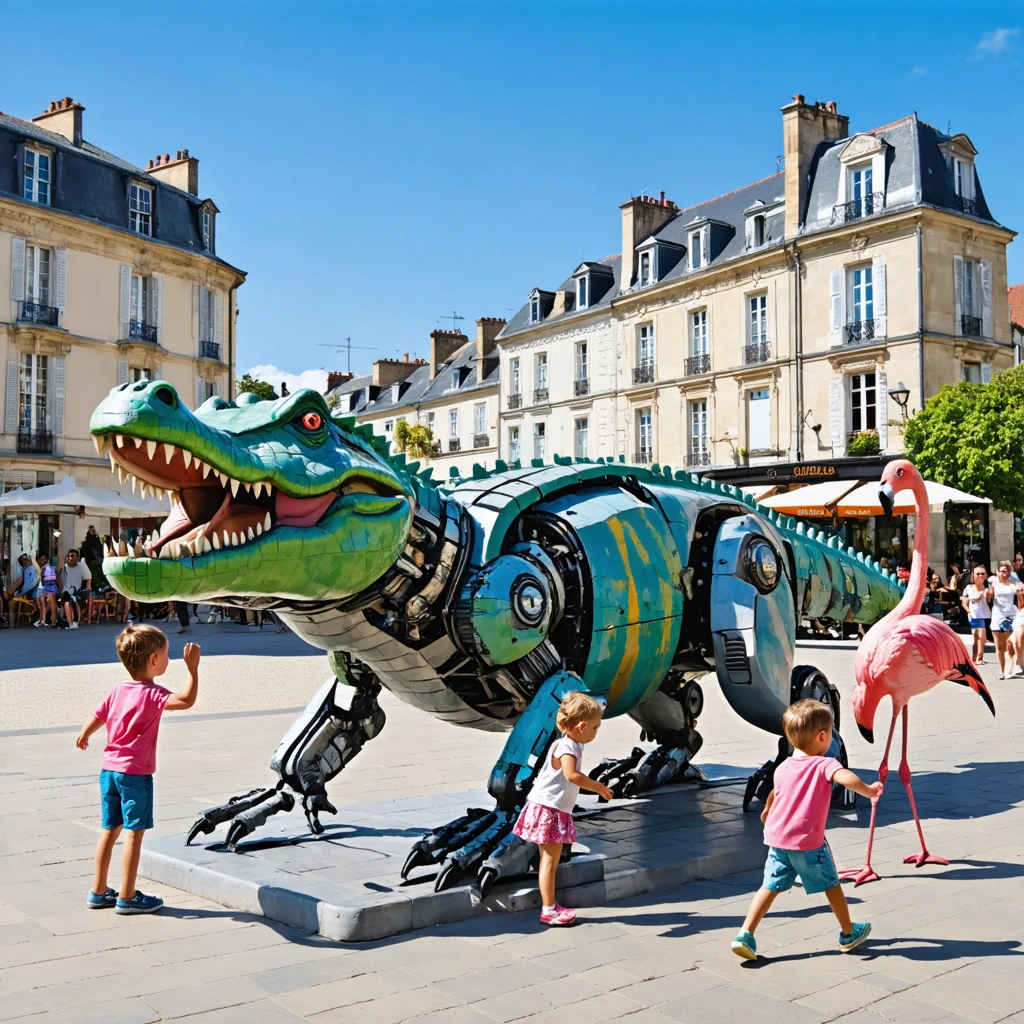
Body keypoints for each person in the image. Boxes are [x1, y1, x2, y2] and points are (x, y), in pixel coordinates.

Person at [731, 700, 882, 960]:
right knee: (831, 884)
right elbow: (845, 776)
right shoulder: (825, 764)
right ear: (822, 736)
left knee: (769, 887)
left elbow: (775, 794)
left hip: (778, 842)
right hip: (809, 844)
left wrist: (767, 812)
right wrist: (868, 790)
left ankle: (745, 934)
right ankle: (848, 932)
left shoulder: (783, 767)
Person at [75, 625, 201, 914]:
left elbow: (99, 715)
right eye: (167, 654)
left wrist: (84, 734)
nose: (169, 659)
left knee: (109, 830)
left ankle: (98, 891)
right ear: (154, 660)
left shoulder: (119, 690)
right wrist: (192, 669)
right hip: (135, 774)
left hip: (109, 771)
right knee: (134, 832)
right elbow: (186, 700)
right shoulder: (153, 694)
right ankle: (128, 896)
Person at [511, 691, 613, 926]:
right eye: (595, 727)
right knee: (548, 862)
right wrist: (598, 787)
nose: (596, 732)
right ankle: (548, 910)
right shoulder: (567, 747)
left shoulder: (570, 743)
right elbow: (572, 775)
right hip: (549, 810)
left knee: (550, 861)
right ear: (581, 726)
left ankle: (550, 906)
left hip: (551, 809)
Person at [989, 561, 1019, 678]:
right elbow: (989, 599)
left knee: (1009, 645)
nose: (1002, 573)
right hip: (997, 616)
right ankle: (1001, 671)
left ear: (1009, 572)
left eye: (1004, 571)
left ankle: (1010, 669)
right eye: (1000, 571)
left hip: (1010, 616)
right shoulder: (994, 584)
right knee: (999, 646)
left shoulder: (1013, 585)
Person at [961, 564, 993, 665]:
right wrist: (969, 611)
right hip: (974, 615)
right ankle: (976, 658)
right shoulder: (968, 588)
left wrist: (988, 596)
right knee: (977, 637)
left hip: (986, 615)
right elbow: (964, 603)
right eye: (978, 574)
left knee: (981, 638)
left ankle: (977, 658)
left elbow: (991, 602)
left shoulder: (988, 588)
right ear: (973, 575)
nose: (980, 576)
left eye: (982, 574)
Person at [59, 549, 92, 630]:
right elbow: (59, 578)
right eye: (70, 556)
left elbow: (88, 577)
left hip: (76, 589)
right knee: (67, 601)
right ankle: (70, 621)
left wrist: (88, 586)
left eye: (74, 556)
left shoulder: (82, 566)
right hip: (66, 590)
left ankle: (74, 621)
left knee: (70, 600)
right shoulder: (65, 567)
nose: (71, 558)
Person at [34, 552, 59, 627]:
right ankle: (44, 618)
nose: (43, 561)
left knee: (50, 596)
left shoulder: (51, 569)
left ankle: (50, 618)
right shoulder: (37, 570)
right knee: (42, 597)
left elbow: (56, 581)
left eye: (45, 559)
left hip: (52, 588)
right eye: (41, 559)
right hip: (43, 589)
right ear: (38, 561)